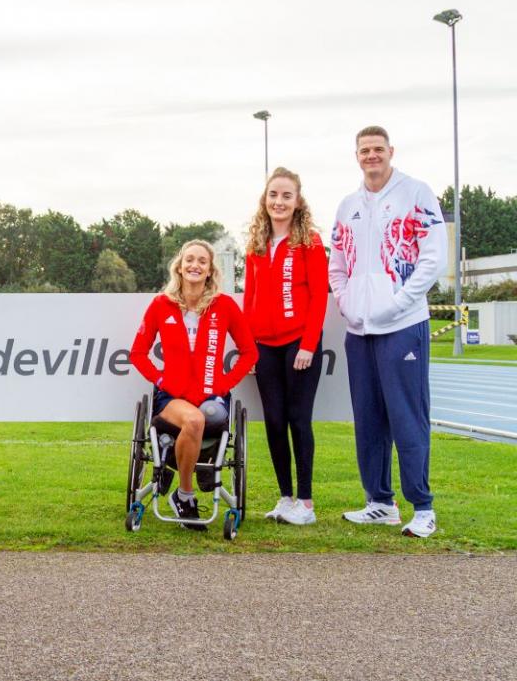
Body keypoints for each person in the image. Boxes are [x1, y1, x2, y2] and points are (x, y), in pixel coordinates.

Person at [330, 126, 447, 538]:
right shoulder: (348, 205)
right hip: (360, 331)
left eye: (378, 149)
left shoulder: (416, 193)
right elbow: (338, 264)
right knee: (368, 419)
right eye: (364, 150)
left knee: (407, 417)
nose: (371, 156)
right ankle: (379, 502)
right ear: (356, 155)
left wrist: (397, 303)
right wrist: (346, 303)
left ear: (390, 152)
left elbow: (433, 259)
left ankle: (423, 508)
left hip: (403, 325)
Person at [131, 240, 258, 530]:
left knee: (208, 416)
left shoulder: (224, 305)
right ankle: (184, 495)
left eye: (202, 261)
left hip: (210, 395)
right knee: (195, 419)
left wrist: (224, 383)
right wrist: (160, 379)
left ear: (210, 270)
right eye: (190, 260)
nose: (195, 266)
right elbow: (138, 353)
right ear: (179, 265)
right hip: (172, 397)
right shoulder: (161, 305)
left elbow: (250, 352)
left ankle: (184, 472)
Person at [243, 168, 329, 526]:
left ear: (298, 201)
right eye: (273, 195)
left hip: (299, 344)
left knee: (298, 420)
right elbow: (249, 297)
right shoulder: (256, 244)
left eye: (286, 196)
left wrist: (308, 344)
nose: (279, 202)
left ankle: (305, 504)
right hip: (264, 346)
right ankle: (285, 498)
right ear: (265, 199)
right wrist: (249, 347)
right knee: (274, 422)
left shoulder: (309, 240)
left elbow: (319, 298)